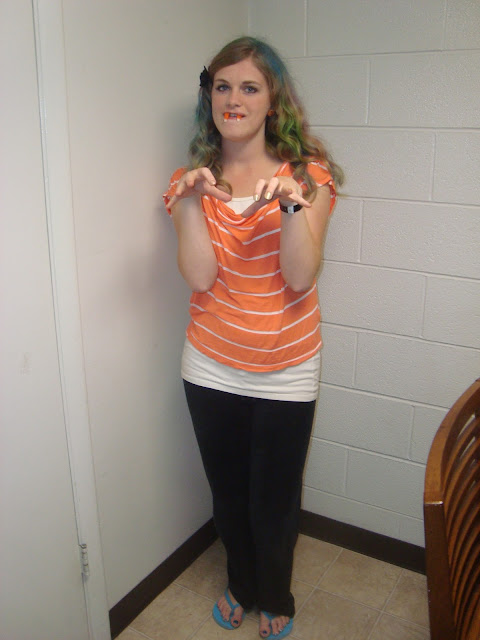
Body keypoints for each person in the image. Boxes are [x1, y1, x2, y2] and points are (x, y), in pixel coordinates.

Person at [164, 36, 342, 639]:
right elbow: (200, 277)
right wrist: (191, 204)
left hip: (287, 368)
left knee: (275, 498)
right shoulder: (189, 182)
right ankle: (241, 584)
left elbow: (299, 277)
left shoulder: (308, 177)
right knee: (229, 495)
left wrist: (291, 207)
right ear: (209, 97)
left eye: (249, 87)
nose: (233, 99)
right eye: (222, 86)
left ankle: (275, 594)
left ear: (272, 100)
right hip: (210, 365)